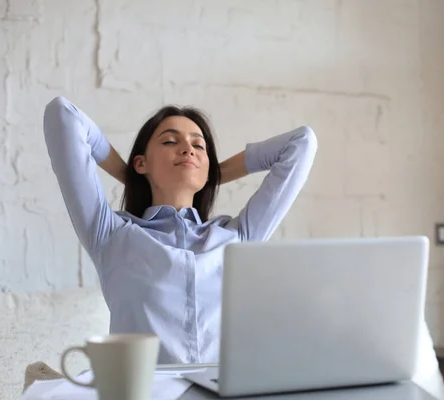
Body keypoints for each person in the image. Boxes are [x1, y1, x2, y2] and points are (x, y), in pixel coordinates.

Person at [42, 96, 317, 365]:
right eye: (170, 141)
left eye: (199, 146)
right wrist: (130, 175)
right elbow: (63, 115)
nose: (188, 149)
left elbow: (302, 143)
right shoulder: (111, 234)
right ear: (141, 163)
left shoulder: (238, 237)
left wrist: (212, 174)